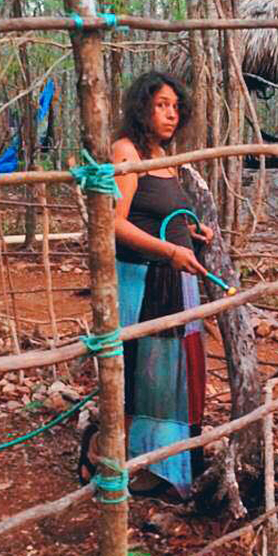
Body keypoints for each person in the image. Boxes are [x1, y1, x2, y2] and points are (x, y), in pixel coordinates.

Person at [78, 70, 213, 497]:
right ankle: (102, 454)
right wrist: (170, 251)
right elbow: (114, 224)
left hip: (175, 284)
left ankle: (161, 468)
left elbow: (155, 216)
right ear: (142, 108)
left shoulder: (163, 156)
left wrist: (189, 235)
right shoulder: (126, 151)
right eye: (160, 105)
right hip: (143, 282)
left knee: (172, 379)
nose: (170, 114)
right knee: (141, 377)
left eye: (175, 106)